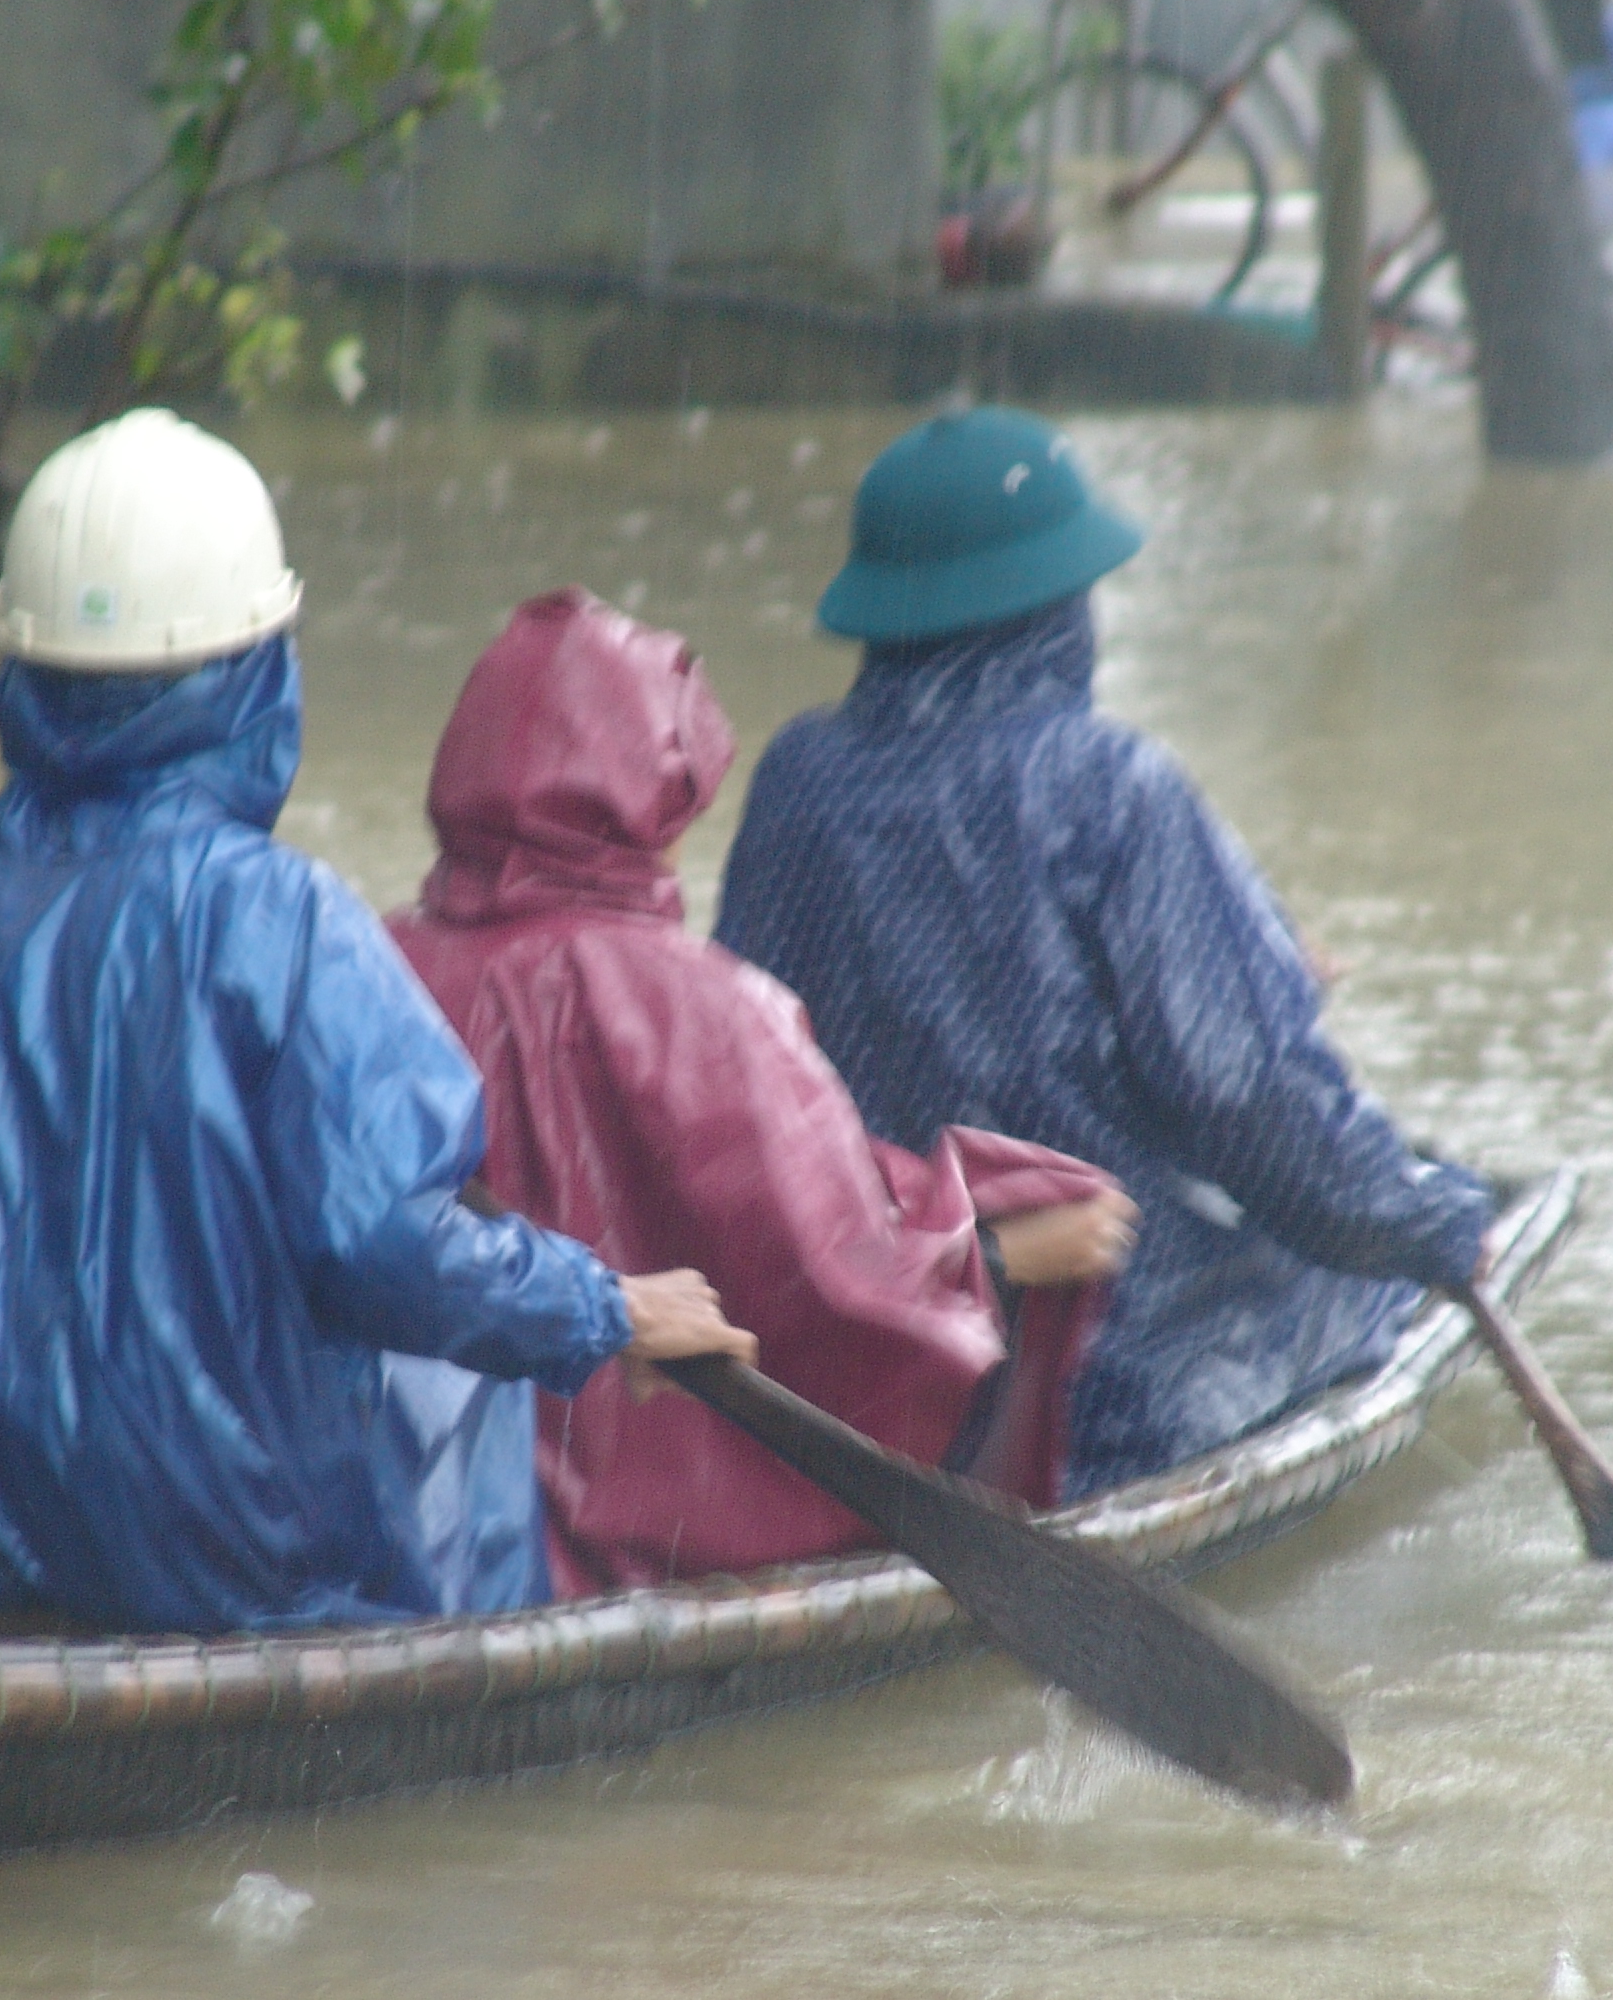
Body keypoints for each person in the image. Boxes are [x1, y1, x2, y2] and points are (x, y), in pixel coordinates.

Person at [0, 412, 753, 1634]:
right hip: (213, 1559)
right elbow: (394, 1248)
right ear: (256, 674)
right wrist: (603, 1310)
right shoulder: (283, 919)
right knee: (456, 1383)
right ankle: (471, 1647)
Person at [714, 407, 1494, 1497]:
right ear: (1055, 605)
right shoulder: (1106, 784)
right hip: (1114, 1363)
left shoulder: (796, 779)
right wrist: (1438, 1225)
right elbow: (1251, 1100)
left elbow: (755, 1069)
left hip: (871, 1334)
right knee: (1348, 1268)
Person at [388, 588, 1141, 1595]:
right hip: (652, 1539)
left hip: (430, 1522)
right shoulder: (710, 1005)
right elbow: (842, 1282)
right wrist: (1001, 1251)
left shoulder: (368, 967)